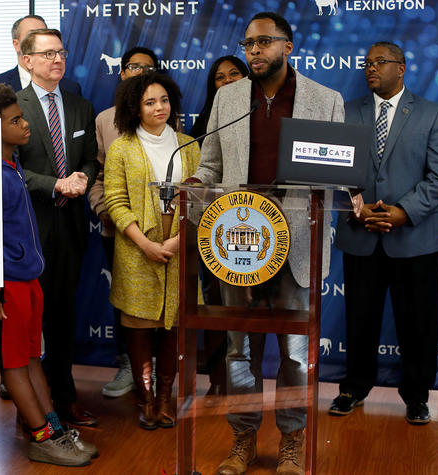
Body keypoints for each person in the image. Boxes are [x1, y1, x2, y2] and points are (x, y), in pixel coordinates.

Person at [189, 12, 344, 475]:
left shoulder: (325, 99)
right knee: (238, 350)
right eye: (248, 44)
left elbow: (335, 177)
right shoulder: (229, 97)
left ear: (288, 47)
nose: (254, 51)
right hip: (238, 241)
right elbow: (212, 165)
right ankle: (242, 441)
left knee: (295, 353)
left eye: (263, 43)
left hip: (296, 244)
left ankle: (292, 444)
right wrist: (196, 183)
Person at [0, 83, 97, 466]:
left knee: (31, 358)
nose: (25, 125)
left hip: (27, 280)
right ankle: (42, 438)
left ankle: (55, 431)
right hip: (5, 286)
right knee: (14, 364)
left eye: (21, 117)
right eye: (16, 120)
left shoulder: (12, 165)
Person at [329, 42, 438, 425]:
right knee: (360, 319)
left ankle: (417, 396)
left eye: (379, 63)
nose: (370, 69)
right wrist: (358, 206)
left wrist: (404, 212)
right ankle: (353, 387)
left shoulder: (432, 114)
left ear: (401, 69)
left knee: (417, 323)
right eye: (366, 64)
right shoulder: (347, 112)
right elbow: (334, 170)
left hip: (413, 239)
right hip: (360, 234)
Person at [104, 72, 200, 430]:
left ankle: (165, 400)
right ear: (135, 108)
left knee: (172, 328)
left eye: (164, 100)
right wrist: (144, 243)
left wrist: (178, 241)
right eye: (149, 102)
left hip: (180, 246)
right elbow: (114, 200)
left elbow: (203, 200)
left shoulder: (191, 145)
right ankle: (145, 401)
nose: (159, 108)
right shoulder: (122, 147)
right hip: (136, 249)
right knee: (140, 327)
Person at [15, 28, 99, 427]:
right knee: (29, 325)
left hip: (71, 229)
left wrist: (82, 177)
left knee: (64, 319)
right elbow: (11, 170)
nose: (57, 60)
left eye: (61, 52)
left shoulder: (81, 106)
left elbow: (91, 159)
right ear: (26, 60)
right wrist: (55, 185)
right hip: (30, 232)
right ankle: (32, 407)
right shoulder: (13, 108)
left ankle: (64, 399)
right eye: (47, 54)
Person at [88, 46, 159, 399]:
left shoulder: (167, 116)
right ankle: (129, 365)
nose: (140, 72)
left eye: (148, 68)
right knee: (125, 301)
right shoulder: (104, 120)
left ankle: (157, 368)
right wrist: (104, 210)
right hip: (117, 228)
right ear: (121, 72)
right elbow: (98, 175)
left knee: (160, 301)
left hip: (161, 231)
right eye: (133, 66)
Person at [188, 55, 249, 407]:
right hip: (217, 234)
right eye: (219, 78)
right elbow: (204, 173)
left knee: (250, 314)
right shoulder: (203, 127)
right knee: (215, 306)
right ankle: (218, 378)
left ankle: (246, 378)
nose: (227, 82)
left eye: (234, 75)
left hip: (257, 229)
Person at [0, 14, 81, 95]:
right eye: (32, 35)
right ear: (16, 45)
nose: (39, 39)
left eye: (44, 34)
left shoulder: (71, 88)